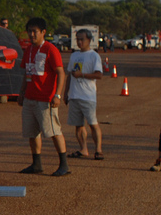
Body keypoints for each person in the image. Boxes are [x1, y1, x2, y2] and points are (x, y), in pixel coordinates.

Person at [18, 17, 69, 176]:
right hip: (30, 98)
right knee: (32, 133)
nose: (31, 34)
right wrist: (22, 93)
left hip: (46, 99)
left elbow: (61, 73)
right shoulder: (29, 50)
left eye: (35, 31)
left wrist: (57, 95)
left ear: (43, 32)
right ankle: (36, 164)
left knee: (53, 131)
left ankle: (64, 164)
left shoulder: (50, 49)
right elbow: (27, 73)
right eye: (29, 31)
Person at [63, 29, 104, 160]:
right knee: (78, 125)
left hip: (88, 96)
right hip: (75, 95)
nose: (80, 42)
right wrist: (66, 92)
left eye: (82, 39)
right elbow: (69, 75)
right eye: (78, 39)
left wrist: (83, 75)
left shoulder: (94, 56)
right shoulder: (74, 55)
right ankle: (83, 149)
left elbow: (99, 75)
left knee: (92, 123)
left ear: (89, 40)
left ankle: (98, 149)